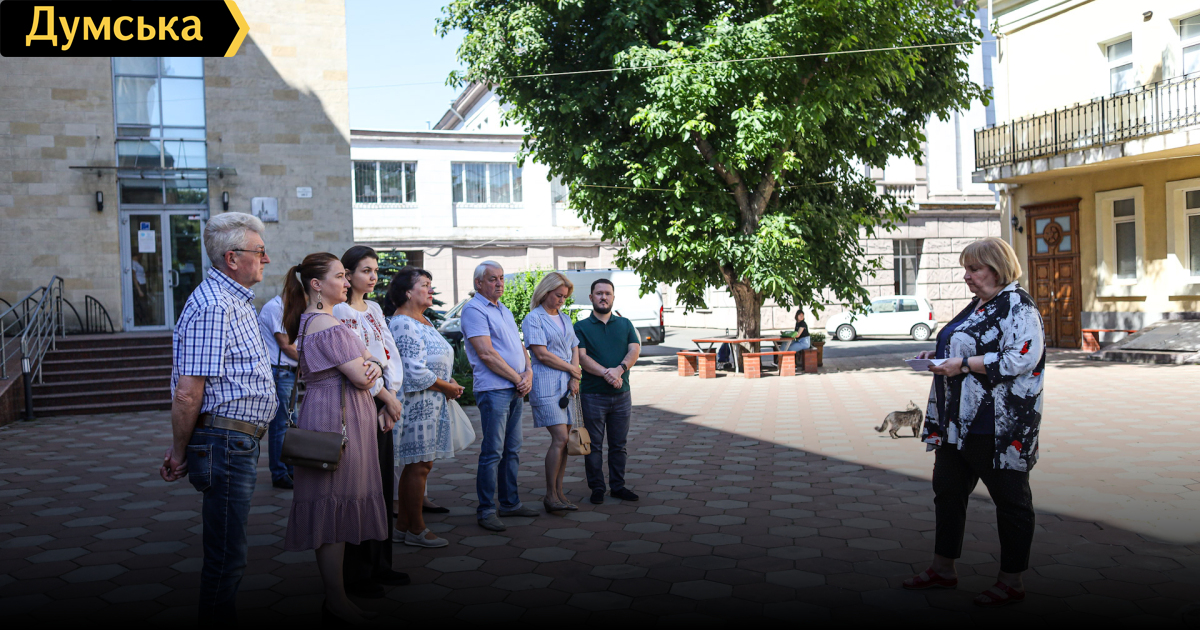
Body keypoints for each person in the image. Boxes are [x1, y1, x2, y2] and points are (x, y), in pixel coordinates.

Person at [903, 237, 1046, 608]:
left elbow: (1021, 358)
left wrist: (963, 364)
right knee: (948, 493)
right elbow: (965, 343)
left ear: (997, 269)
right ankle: (942, 569)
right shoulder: (979, 303)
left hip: (998, 426)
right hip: (955, 421)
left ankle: (1011, 581)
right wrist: (938, 355)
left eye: (973, 269)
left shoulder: (1018, 304)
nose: (966, 276)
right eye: (965, 268)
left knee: (1011, 502)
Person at [159, 212, 277, 624]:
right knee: (227, 556)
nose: (266, 259)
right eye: (259, 251)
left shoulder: (233, 300)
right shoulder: (214, 305)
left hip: (234, 441)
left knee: (229, 552)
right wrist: (179, 452)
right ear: (232, 258)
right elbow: (188, 391)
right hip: (225, 442)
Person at [280, 253, 390, 625]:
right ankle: (336, 601)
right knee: (332, 505)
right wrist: (373, 365)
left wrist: (372, 364)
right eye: (340, 276)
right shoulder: (325, 323)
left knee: (335, 506)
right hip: (336, 418)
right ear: (316, 285)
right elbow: (363, 374)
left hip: (333, 412)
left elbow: (372, 362)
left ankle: (338, 598)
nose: (346, 282)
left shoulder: (317, 320)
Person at [332, 246, 410, 596]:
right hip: (359, 400)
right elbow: (357, 363)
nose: (374, 276)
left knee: (381, 487)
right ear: (347, 275)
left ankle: (381, 564)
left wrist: (391, 395)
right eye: (366, 270)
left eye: (375, 270)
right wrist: (386, 398)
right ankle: (358, 572)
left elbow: (389, 354)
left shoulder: (375, 308)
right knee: (359, 489)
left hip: (383, 400)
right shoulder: (340, 311)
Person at [387, 266, 464, 547]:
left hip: (431, 403)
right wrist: (447, 387)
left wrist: (449, 380)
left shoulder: (423, 320)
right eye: (425, 284)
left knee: (420, 465)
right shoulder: (403, 323)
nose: (431, 289)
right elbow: (413, 371)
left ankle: (403, 527)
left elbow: (435, 360)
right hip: (416, 404)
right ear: (408, 292)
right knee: (418, 466)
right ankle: (417, 529)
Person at [461, 261, 538, 532]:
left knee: (512, 449)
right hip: (494, 389)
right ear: (478, 283)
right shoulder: (474, 309)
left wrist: (528, 372)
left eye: (502, 278)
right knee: (493, 451)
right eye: (493, 278)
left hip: (514, 388)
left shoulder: (502, 309)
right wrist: (518, 378)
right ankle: (486, 510)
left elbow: (519, 345)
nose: (499, 283)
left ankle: (510, 503)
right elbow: (486, 353)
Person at [574, 278, 641, 505]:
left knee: (618, 445)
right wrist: (607, 373)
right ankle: (597, 488)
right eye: (599, 293)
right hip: (592, 395)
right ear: (591, 297)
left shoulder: (625, 324)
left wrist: (619, 370)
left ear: (613, 297)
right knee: (593, 446)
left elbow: (634, 350)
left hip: (622, 395)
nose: (604, 297)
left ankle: (618, 486)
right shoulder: (580, 327)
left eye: (608, 293)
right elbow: (582, 357)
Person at [521, 272, 582, 513]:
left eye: (565, 297)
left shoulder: (565, 317)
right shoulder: (533, 318)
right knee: (560, 438)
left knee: (565, 443)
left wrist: (574, 376)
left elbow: (574, 347)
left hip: (567, 386)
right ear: (545, 292)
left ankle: (559, 492)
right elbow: (541, 354)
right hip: (546, 384)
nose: (562, 300)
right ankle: (550, 495)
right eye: (558, 295)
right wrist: (572, 370)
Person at [257, 293, 297, 490]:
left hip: (289, 372)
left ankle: (291, 470)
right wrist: (312, 362)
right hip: (280, 373)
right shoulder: (275, 307)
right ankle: (279, 473)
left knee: (291, 424)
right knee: (280, 425)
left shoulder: (288, 307)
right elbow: (286, 345)